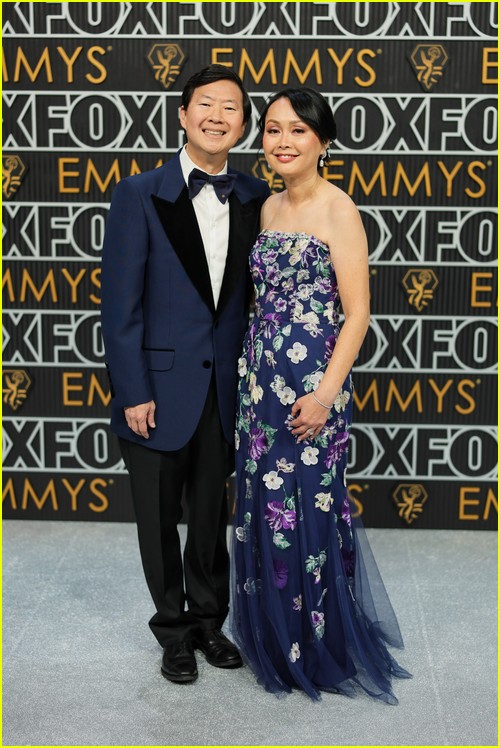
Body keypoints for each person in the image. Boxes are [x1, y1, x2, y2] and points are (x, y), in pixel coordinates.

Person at [231, 88, 411, 702]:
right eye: (273, 129)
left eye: (298, 131)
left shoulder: (340, 210)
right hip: (260, 379)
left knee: (308, 508)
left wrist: (326, 393)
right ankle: (275, 636)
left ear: (323, 143)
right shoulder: (267, 208)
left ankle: (317, 643)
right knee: (263, 505)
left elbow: (357, 313)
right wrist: (254, 370)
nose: (282, 141)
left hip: (313, 383)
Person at [100, 64, 269, 684]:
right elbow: (119, 307)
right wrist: (133, 391)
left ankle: (209, 623)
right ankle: (171, 630)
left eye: (231, 108)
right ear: (182, 115)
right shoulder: (138, 193)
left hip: (225, 391)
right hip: (156, 390)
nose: (217, 116)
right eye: (206, 105)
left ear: (244, 125)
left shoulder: (256, 197)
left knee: (208, 516)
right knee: (157, 517)